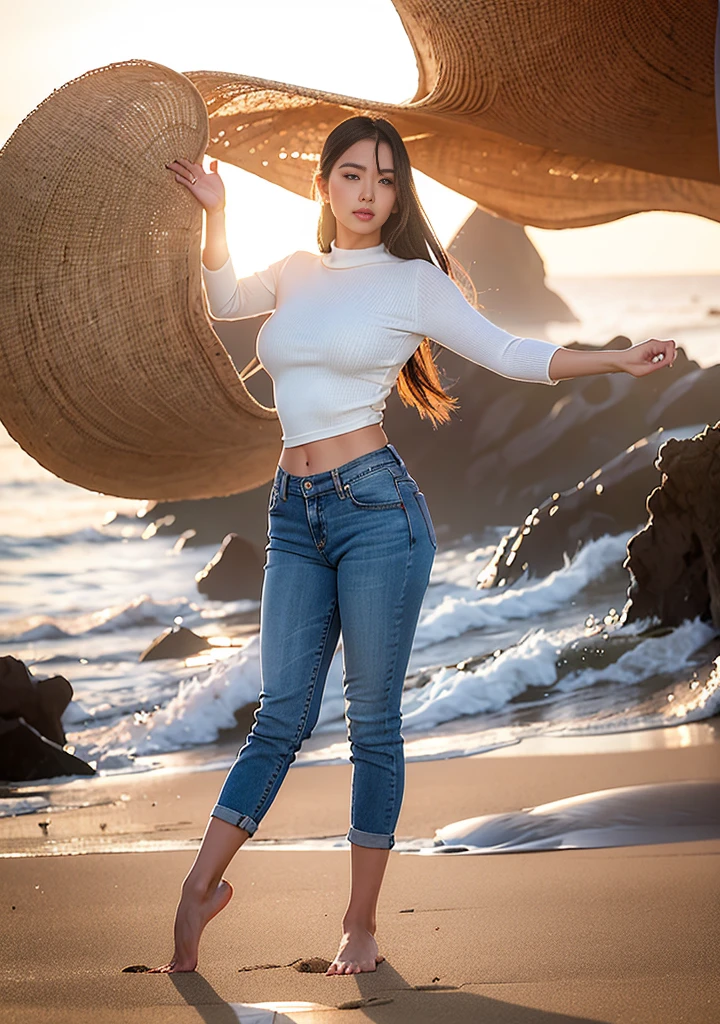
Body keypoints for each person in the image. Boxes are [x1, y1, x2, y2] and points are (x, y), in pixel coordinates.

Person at [150, 116, 676, 976]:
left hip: (377, 513)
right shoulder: (293, 271)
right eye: (352, 174)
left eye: (386, 178)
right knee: (279, 715)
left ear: (399, 195)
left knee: (371, 723)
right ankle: (197, 892)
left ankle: (359, 926)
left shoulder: (415, 282)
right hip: (292, 510)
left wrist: (614, 364)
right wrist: (215, 212)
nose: (368, 192)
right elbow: (221, 301)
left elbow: (508, 352)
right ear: (323, 184)